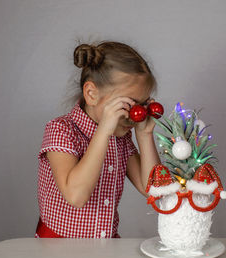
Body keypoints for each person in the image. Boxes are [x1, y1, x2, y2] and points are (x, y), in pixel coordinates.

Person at [35, 41, 161, 238]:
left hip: (105, 247)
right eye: (127, 103)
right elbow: (76, 196)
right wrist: (102, 132)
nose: (136, 114)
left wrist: (145, 135)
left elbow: (155, 191)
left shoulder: (121, 138)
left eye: (143, 104)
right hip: (59, 249)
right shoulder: (62, 130)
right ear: (91, 94)